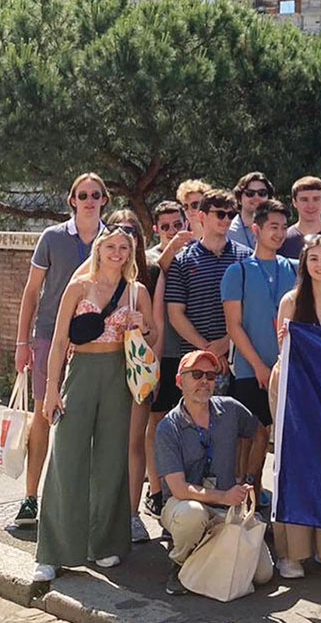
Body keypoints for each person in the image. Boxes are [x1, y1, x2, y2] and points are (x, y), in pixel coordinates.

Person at [33, 226, 155, 582]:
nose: (116, 252)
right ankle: (53, 552)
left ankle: (104, 543)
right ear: (99, 250)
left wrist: (142, 325)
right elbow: (58, 343)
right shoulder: (78, 287)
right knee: (66, 459)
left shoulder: (136, 291)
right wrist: (52, 389)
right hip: (80, 372)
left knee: (110, 460)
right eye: (110, 246)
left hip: (118, 375)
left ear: (131, 253)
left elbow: (155, 335)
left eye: (123, 247)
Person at [13, 172, 109, 529]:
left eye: (95, 194)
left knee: (89, 422)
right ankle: (30, 499)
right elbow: (31, 291)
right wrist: (22, 343)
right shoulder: (52, 237)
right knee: (42, 416)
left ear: (104, 199)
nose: (88, 200)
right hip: (48, 338)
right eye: (82, 194)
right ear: (72, 200)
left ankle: (80, 503)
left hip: (98, 345)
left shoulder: (112, 240)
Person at [269, 233, 321, 579]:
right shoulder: (291, 301)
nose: (320, 265)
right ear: (305, 262)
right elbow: (282, 351)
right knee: (294, 467)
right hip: (296, 393)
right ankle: (291, 552)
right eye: (314, 258)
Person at [155, 350, 270, 596]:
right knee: (192, 515)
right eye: (196, 375)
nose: (204, 381)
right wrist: (224, 496)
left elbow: (261, 433)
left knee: (263, 574)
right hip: (183, 505)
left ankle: (206, 559)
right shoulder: (167, 427)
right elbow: (179, 489)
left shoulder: (230, 409)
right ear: (179, 381)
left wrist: (248, 478)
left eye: (210, 375)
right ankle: (180, 564)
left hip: (225, 508)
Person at [222, 199, 297, 491]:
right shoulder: (237, 272)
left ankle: (264, 498)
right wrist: (258, 366)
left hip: (287, 369)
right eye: (273, 227)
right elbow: (233, 326)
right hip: (249, 369)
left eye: (283, 227)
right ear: (256, 229)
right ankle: (242, 503)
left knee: (275, 436)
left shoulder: (294, 268)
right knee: (249, 437)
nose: (279, 233)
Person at [105, 209, 158, 545]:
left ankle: (132, 514)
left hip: (136, 369)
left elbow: (155, 331)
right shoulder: (92, 279)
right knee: (105, 444)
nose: (124, 237)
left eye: (131, 231)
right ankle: (103, 514)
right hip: (102, 370)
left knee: (134, 443)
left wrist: (143, 329)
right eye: (118, 231)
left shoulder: (147, 278)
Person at [165, 189, 252, 385]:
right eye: (220, 214)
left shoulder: (246, 258)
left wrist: (226, 343)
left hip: (240, 359)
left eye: (231, 214)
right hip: (195, 362)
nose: (226, 219)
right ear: (202, 216)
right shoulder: (183, 260)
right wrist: (208, 350)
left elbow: (251, 310)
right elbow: (175, 314)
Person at [144, 200, 192, 519]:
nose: (173, 231)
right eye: (166, 227)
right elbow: (146, 285)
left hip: (190, 353)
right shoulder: (150, 258)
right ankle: (155, 488)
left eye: (178, 224)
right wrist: (170, 250)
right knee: (156, 422)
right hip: (160, 353)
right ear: (155, 229)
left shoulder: (195, 255)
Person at [227, 171, 274, 250]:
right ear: (239, 199)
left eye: (262, 193)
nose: (256, 197)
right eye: (250, 193)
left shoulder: (278, 230)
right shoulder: (227, 231)